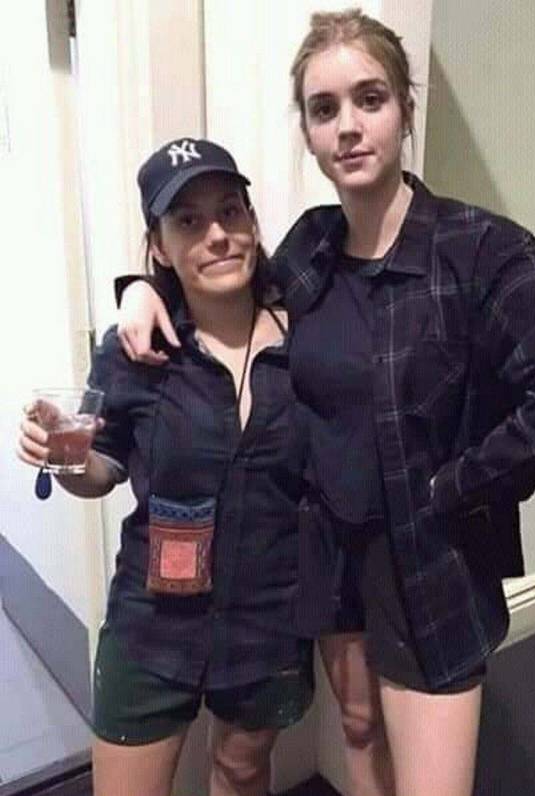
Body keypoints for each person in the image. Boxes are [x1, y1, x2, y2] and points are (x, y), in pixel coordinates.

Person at [114, 9, 535, 796]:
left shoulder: (476, 250)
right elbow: (223, 289)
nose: (349, 127)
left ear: (404, 109)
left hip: (427, 558)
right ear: (308, 132)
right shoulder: (311, 246)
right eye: (325, 109)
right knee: (358, 733)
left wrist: (460, 484)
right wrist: (142, 286)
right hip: (330, 550)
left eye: (370, 99)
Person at [17, 138, 315, 796]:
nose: (217, 235)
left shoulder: (307, 338)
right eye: (188, 221)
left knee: (242, 770)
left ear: (252, 220)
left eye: (230, 211)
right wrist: (65, 455)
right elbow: (103, 469)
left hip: (268, 619)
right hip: (151, 625)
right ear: (158, 245)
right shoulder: (136, 350)